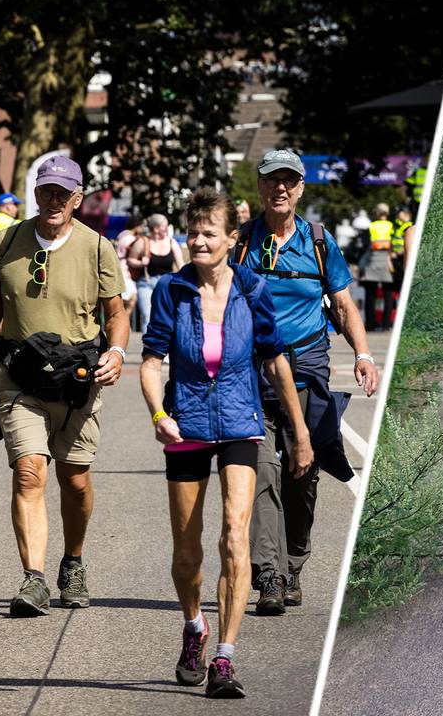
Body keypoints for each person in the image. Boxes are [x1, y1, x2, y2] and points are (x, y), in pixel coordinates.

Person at [140, 188, 313, 698]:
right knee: (188, 551)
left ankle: (225, 658)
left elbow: (276, 361)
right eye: (191, 233)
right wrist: (158, 413)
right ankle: (195, 628)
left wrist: (300, 432)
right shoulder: (172, 291)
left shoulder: (252, 290)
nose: (197, 241)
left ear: (231, 240)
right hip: (187, 424)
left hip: (241, 421)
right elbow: (151, 362)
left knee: (234, 537)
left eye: (208, 234)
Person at [0, 154, 130, 617]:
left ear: (77, 198)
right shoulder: (7, 241)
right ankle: (33, 579)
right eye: (45, 191)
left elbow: (116, 315)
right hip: (19, 377)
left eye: (63, 194)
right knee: (29, 470)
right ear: (35, 194)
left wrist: (115, 353)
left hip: (78, 381)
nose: (53, 201)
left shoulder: (97, 248)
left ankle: (72, 562)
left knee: (74, 479)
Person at [233, 148, 380, 614]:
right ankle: (270, 575)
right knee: (261, 472)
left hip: (308, 369)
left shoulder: (319, 242)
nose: (280, 188)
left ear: (300, 189)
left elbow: (342, 304)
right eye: (272, 180)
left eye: (289, 181)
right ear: (259, 187)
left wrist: (363, 354)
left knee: (303, 472)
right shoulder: (240, 243)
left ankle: (294, 562)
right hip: (252, 373)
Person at [127, 213, 185, 332]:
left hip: (167, 285)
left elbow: (180, 264)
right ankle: (147, 348)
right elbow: (130, 260)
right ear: (156, 228)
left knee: (167, 316)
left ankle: (164, 347)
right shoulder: (143, 242)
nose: (167, 228)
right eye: (165, 226)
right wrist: (140, 263)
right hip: (146, 283)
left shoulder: (171, 242)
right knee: (147, 316)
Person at [360, 203, 394, 331]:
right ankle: (386, 324)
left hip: (372, 261)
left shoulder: (371, 226)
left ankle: (370, 324)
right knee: (388, 294)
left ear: (376, 213)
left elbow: (365, 245)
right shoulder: (392, 226)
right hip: (387, 261)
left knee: (370, 295)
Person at [389, 207, 415, 325]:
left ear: (406, 214)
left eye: (400, 213)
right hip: (396, 260)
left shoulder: (408, 227)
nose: (398, 216)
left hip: (401, 259)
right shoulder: (398, 227)